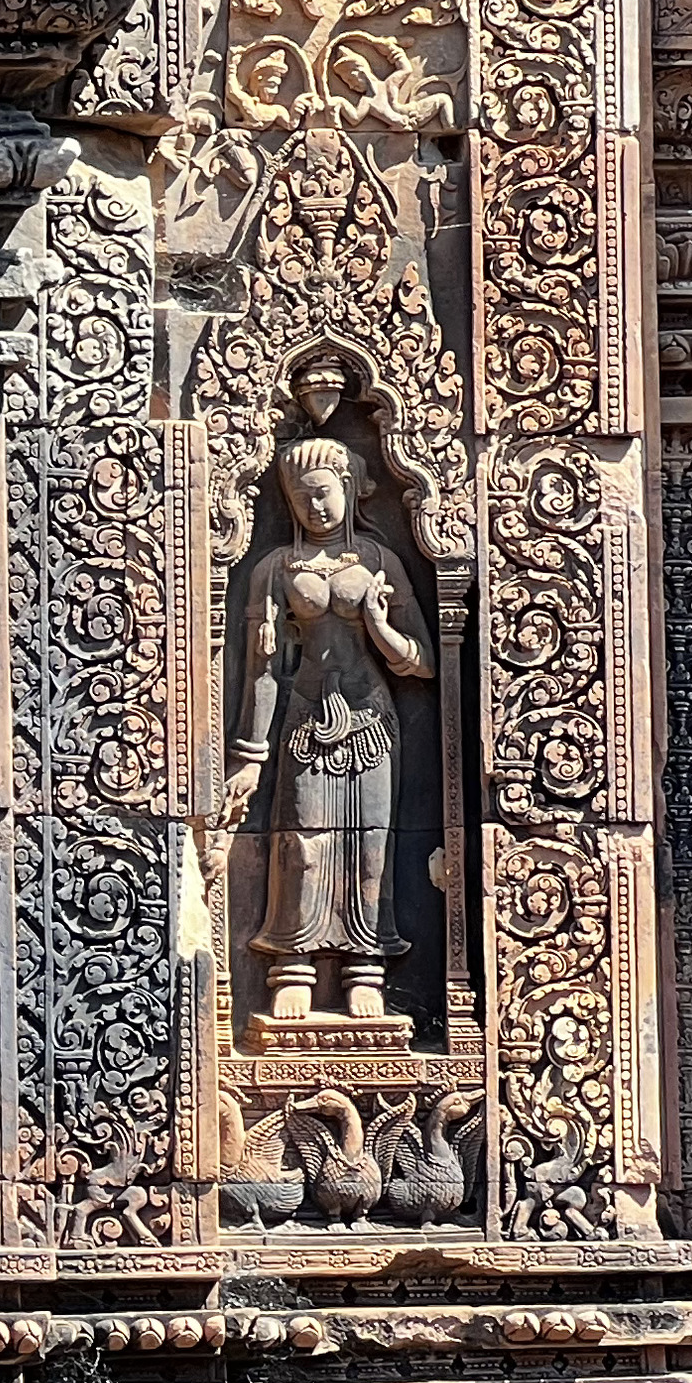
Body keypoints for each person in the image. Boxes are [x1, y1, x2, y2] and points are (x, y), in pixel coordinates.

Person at [220, 435, 431, 1024]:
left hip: (371, 715)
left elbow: (423, 661)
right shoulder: (273, 568)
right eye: (300, 498)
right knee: (301, 843)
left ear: (347, 489)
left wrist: (379, 625)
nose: (314, 508)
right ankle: (293, 967)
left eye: (323, 494)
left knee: (371, 845)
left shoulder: (380, 562)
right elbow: (262, 669)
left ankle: (366, 967)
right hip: (306, 717)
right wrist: (250, 754)